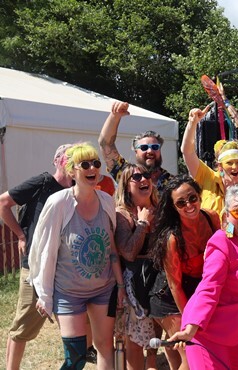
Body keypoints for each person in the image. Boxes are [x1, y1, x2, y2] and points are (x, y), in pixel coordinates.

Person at [28, 142, 125, 370]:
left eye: (96, 163)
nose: (92, 168)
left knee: (105, 349)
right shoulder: (59, 203)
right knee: (76, 359)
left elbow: (111, 249)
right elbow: (47, 251)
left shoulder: (107, 201)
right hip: (68, 293)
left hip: (103, 289)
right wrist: (45, 295)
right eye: (85, 164)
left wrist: (120, 287)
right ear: (72, 171)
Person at [168, 183, 238, 369]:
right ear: (226, 216)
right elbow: (209, 287)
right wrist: (191, 327)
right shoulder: (220, 245)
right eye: (236, 212)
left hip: (232, 331)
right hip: (207, 332)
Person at [1, 144, 73, 370]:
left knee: (78, 321)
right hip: (35, 266)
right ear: (57, 161)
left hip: (63, 266)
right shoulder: (41, 183)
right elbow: (3, 203)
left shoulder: (77, 188)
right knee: (24, 325)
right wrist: (21, 235)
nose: (73, 162)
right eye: (68, 158)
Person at [148, 175, 220, 370]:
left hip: (197, 293)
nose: (189, 204)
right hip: (169, 300)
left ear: (199, 195)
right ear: (174, 208)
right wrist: (191, 322)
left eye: (192, 197)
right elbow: (175, 286)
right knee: (191, 354)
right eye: (181, 202)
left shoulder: (212, 218)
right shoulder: (172, 239)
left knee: (183, 359)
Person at [113, 163, 161, 369]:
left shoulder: (160, 209)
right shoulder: (122, 214)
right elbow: (129, 253)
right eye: (136, 177)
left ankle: (151, 361)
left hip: (159, 279)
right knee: (135, 341)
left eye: (146, 175)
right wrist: (142, 224)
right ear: (126, 186)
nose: (143, 180)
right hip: (135, 286)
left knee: (156, 330)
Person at [182, 105, 238, 215]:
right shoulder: (207, 177)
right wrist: (192, 123)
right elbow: (187, 152)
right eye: (229, 163)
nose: (234, 167)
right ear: (219, 166)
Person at [99, 101, 172, 192]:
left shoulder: (171, 182)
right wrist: (115, 116)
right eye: (144, 148)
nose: (150, 151)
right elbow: (105, 144)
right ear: (136, 152)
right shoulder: (126, 173)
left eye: (155, 147)